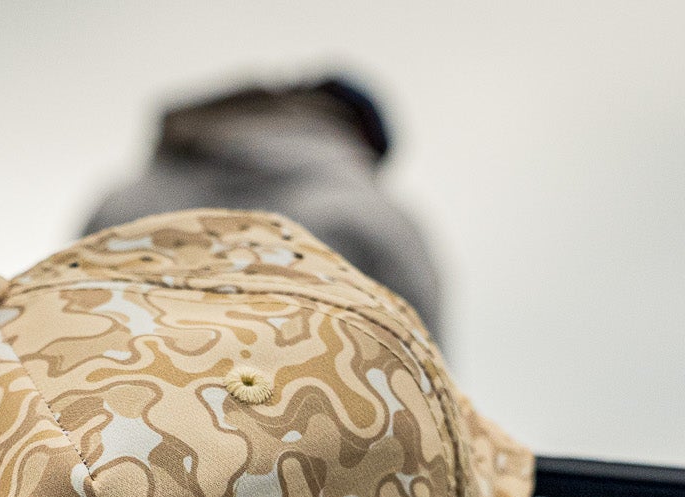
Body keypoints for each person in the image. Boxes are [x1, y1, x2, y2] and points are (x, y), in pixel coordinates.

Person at [85, 76, 448, 348]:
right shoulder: (371, 212)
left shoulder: (130, 196)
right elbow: (427, 371)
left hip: (112, 415)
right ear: (359, 138)